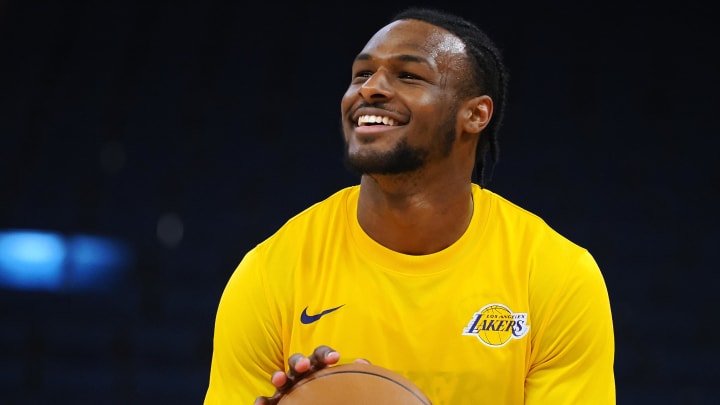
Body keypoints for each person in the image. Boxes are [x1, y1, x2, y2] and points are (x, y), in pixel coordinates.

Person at [204, 6, 615, 405]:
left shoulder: (556, 277)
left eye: (408, 75)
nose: (370, 88)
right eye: (361, 74)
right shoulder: (272, 272)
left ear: (475, 114)